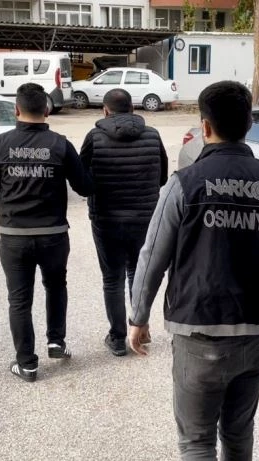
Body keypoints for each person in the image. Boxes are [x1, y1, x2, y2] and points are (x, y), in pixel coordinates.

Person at [128, 81, 259, 460]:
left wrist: (138, 317)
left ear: (205, 127)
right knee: (238, 432)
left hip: (200, 332)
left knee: (196, 442)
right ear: (249, 124)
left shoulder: (183, 184)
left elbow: (152, 257)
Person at [0, 82, 92, 383]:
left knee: (19, 300)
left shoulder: (0, 143)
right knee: (56, 286)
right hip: (54, 235)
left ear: (16, 110)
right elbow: (84, 187)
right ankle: (56, 341)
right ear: (47, 110)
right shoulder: (60, 144)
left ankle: (26, 363)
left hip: (14, 236)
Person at [79, 89, 168, 357]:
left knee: (112, 278)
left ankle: (117, 338)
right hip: (144, 218)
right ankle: (139, 329)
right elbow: (162, 177)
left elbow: (82, 180)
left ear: (105, 110)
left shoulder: (94, 137)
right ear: (132, 108)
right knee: (137, 273)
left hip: (106, 220)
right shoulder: (153, 135)